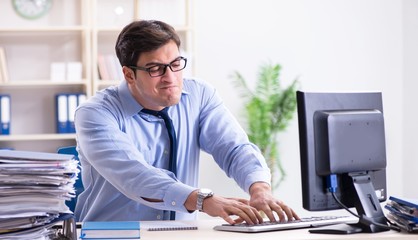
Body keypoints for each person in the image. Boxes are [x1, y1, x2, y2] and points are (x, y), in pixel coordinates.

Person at [74, 19, 299, 224]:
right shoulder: (94, 114)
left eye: (175, 63)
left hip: (180, 234)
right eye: (155, 69)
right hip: (113, 235)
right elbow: (135, 175)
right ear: (129, 74)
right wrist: (202, 200)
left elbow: (234, 147)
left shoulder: (199, 96)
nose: (170, 78)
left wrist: (259, 188)